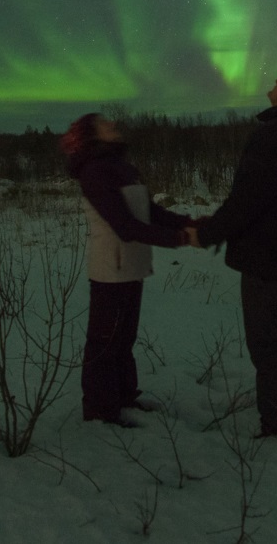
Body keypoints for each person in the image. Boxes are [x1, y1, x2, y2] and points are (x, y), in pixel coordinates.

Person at [190, 65, 277, 437]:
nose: (274, 83)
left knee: (269, 342)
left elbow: (248, 199)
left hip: (269, 255)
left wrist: (208, 232)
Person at [62, 112, 193, 427]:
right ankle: (99, 411)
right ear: (91, 134)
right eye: (105, 124)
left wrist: (187, 223)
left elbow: (150, 212)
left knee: (123, 338)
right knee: (104, 342)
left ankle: (124, 396)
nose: (113, 124)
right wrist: (178, 238)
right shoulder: (94, 171)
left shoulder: (122, 168)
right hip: (111, 267)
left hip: (131, 265)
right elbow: (124, 225)